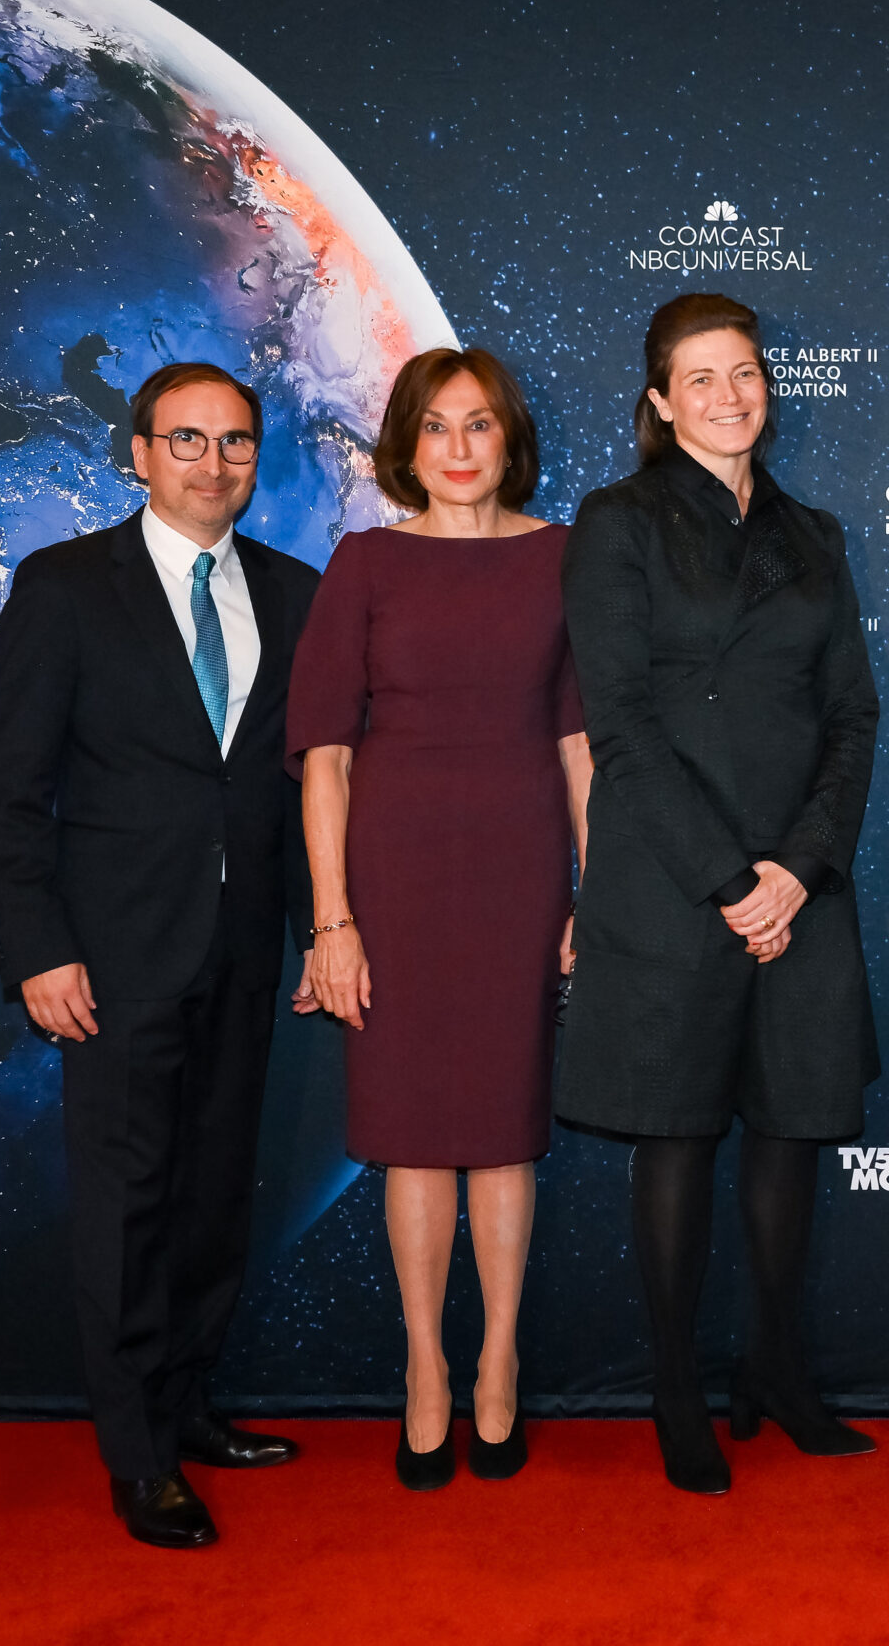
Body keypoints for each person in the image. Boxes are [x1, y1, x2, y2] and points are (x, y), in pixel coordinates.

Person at [0, 362, 320, 1548]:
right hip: (111, 958)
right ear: (138, 452)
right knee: (127, 1206)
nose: (212, 464)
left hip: (243, 946)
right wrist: (39, 949)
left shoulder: (295, 591)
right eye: (186, 440)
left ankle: (188, 1409)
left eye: (234, 444)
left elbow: (305, 783)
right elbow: (16, 793)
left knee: (217, 1194)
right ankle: (135, 1454)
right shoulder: (68, 586)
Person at [558, 293, 880, 1495]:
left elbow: (852, 715)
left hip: (802, 888)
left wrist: (797, 871)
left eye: (743, 372)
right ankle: (676, 1388)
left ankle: (777, 1374)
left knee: (793, 1132)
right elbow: (622, 728)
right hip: (675, 889)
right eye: (699, 378)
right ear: (657, 400)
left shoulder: (817, 536)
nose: (728, 396)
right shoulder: (617, 523)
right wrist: (733, 880)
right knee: (681, 1138)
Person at [287, 347, 588, 1490]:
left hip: (518, 878)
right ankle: (424, 1372)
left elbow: (580, 740)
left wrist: (592, 889)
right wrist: (333, 921)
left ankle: (499, 1369)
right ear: (405, 448)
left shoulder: (562, 562)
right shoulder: (362, 565)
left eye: (480, 426)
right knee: (413, 1137)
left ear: (509, 439)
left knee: (504, 1130)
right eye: (437, 428)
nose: (460, 449)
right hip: (395, 884)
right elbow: (324, 758)